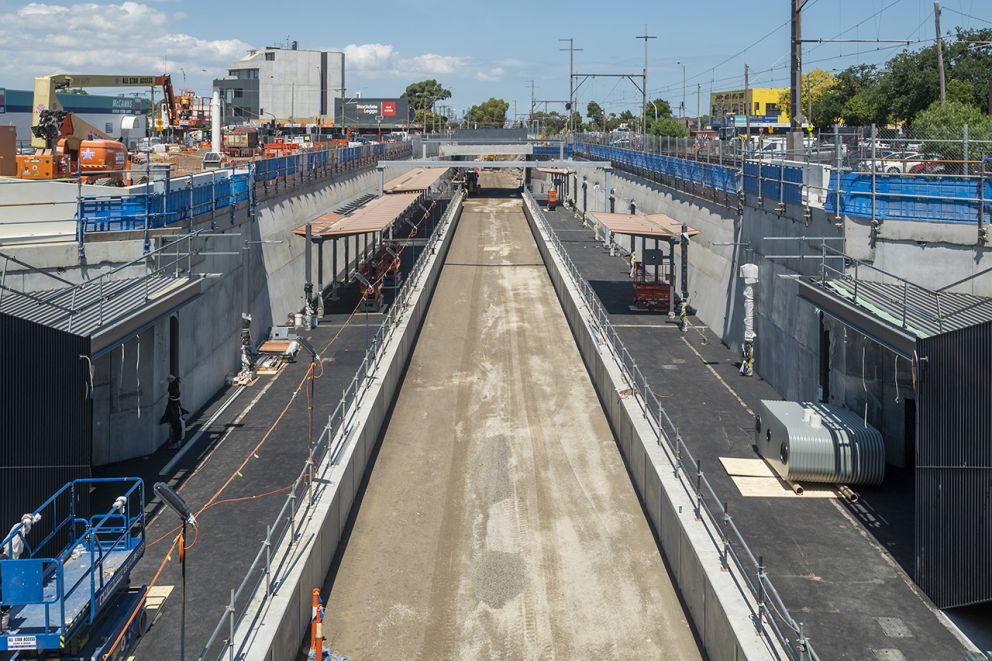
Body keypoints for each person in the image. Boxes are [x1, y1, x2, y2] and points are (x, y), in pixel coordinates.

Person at [160, 375, 189, 449]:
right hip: (176, 411)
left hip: (175, 412)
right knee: (176, 427)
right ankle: (175, 443)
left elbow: (174, 398)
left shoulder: (173, 389)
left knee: (175, 428)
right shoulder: (175, 387)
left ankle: (174, 443)